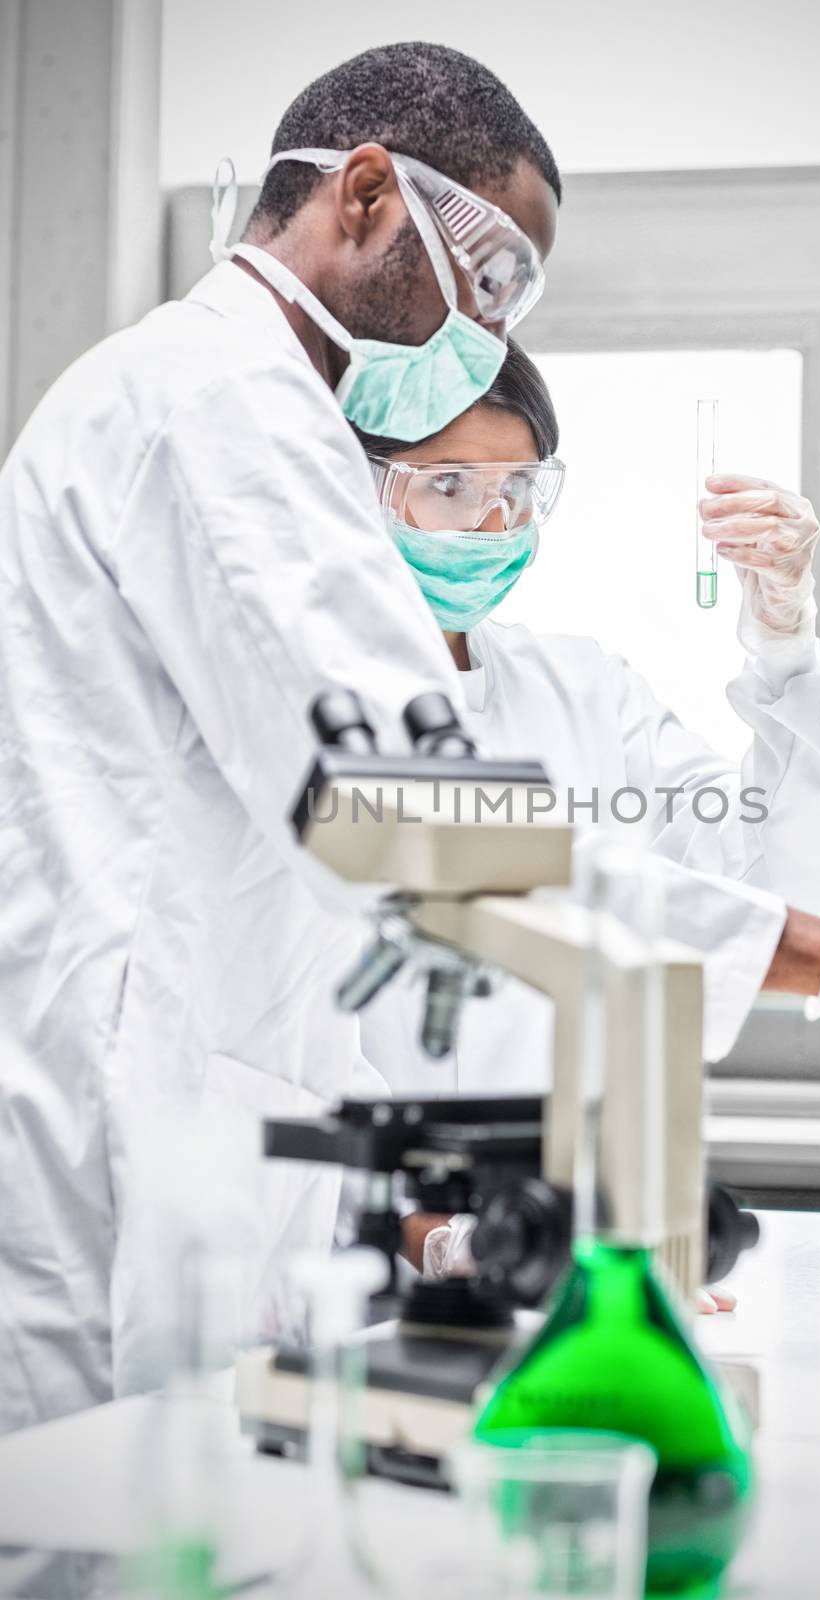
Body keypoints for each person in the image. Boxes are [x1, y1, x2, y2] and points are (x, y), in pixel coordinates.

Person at [0, 43, 561, 1436]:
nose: (488, 339)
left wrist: (436, 1207)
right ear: (365, 193)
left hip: (197, 1143)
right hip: (116, 1167)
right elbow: (405, 812)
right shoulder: (222, 402)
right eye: (491, 279)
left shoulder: (244, 406)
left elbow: (281, 899)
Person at [349, 343, 820, 1278]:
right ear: (354, 485)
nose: (488, 522)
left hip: (553, 1254)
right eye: (446, 485)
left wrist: (783, 634)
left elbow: (778, 863)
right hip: (354, 1270)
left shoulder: (582, 689)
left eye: (517, 488)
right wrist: (438, 1243)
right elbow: (479, 881)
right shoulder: (311, 704)